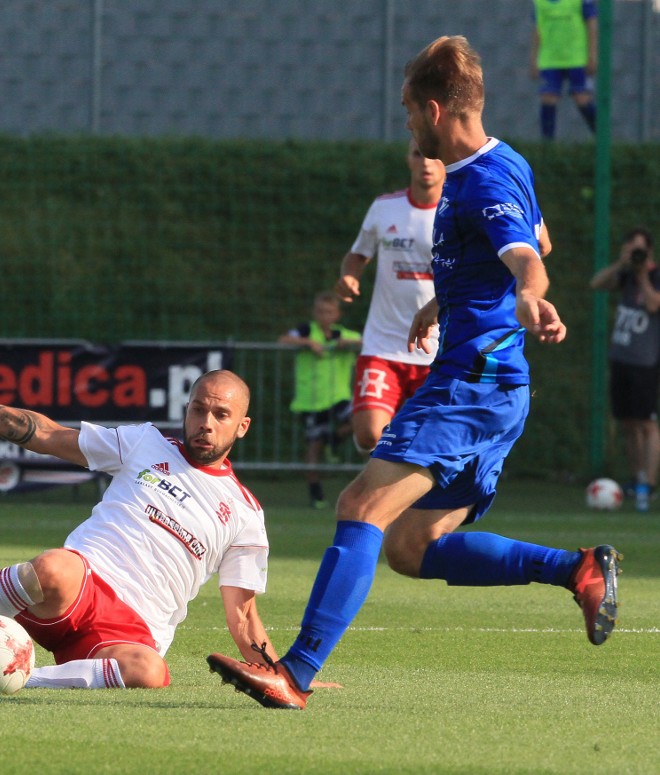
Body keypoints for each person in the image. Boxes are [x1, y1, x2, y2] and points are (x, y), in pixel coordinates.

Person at [207, 35, 621, 710]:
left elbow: (527, 257)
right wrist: (445, 298)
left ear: (434, 109)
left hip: (471, 381)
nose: (405, 125)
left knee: (359, 505)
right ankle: (576, 568)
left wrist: (526, 294)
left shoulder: (481, 181)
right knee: (411, 544)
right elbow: (537, 238)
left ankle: (296, 670)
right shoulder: (504, 161)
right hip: (496, 386)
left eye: (407, 112)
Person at [0, 368, 280, 690]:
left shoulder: (245, 514)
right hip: (77, 588)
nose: (205, 423)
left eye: (221, 415)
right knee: (53, 566)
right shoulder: (144, 443)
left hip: (133, 632)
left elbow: (243, 617)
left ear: (242, 426)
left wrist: (284, 677)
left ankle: (2, 675)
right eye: (198, 410)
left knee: (151, 672)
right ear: (187, 410)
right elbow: (49, 436)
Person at [336, 138, 445, 454]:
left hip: (435, 350)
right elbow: (357, 254)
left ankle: (407, 498)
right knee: (371, 434)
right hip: (383, 346)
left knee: (428, 443)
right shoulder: (385, 208)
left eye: (432, 156)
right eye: (417, 154)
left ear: (445, 161)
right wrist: (349, 276)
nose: (425, 162)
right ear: (408, 160)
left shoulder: (456, 214)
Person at [589, 227, 660, 512]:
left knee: (647, 424)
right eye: (630, 248)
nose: (636, 254)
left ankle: (648, 485)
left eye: (639, 249)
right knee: (628, 423)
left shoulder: (653, 276)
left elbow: (654, 304)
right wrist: (623, 263)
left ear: (650, 251)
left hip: (647, 362)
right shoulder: (625, 274)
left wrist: (642, 273)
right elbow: (596, 283)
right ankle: (637, 476)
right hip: (621, 358)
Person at [278, 291, 361, 508]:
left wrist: (349, 344)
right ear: (315, 313)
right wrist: (307, 343)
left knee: (361, 419)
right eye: (321, 312)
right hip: (311, 401)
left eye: (329, 312)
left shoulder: (344, 335)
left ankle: (333, 439)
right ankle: (316, 494)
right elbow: (284, 340)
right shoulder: (307, 331)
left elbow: (367, 342)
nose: (325, 316)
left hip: (339, 397)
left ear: (337, 314)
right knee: (313, 448)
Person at [530, 0, 598, 140]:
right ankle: (547, 147)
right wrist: (534, 59)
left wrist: (592, 55)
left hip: (577, 58)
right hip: (550, 59)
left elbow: (592, 24)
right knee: (548, 99)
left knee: (582, 98)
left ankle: (602, 140)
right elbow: (537, 29)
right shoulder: (539, 2)